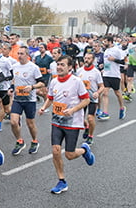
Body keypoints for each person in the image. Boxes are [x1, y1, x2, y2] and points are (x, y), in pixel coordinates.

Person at [39, 55, 95, 194]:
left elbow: (86, 100)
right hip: (56, 121)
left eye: (62, 65)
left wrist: (73, 110)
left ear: (70, 67)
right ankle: (61, 181)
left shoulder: (76, 82)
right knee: (55, 150)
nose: (59, 67)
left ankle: (84, 150)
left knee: (69, 155)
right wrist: (43, 107)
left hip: (72, 123)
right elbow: (50, 98)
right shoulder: (54, 81)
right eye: (58, 64)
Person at [8, 46, 45, 155]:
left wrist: (32, 87)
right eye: (18, 53)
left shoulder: (33, 67)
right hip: (17, 99)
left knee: (30, 124)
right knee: (13, 122)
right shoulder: (14, 67)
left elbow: (42, 83)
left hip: (30, 100)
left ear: (27, 55)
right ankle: (20, 141)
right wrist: (11, 88)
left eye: (22, 54)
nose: (19, 56)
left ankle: (34, 141)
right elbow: (14, 80)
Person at [76, 52, 104, 145]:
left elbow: (102, 86)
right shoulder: (79, 71)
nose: (86, 60)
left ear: (93, 60)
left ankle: (90, 136)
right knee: (79, 118)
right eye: (85, 58)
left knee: (90, 118)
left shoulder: (96, 72)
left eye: (89, 58)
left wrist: (97, 93)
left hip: (92, 98)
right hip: (81, 99)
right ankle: (86, 127)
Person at [99, 36, 127, 120]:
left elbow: (123, 62)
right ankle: (105, 113)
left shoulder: (117, 50)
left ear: (110, 42)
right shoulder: (106, 51)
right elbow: (107, 62)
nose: (104, 43)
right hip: (106, 74)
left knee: (117, 93)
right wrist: (103, 66)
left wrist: (114, 59)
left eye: (105, 41)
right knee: (105, 93)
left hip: (115, 75)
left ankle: (122, 107)